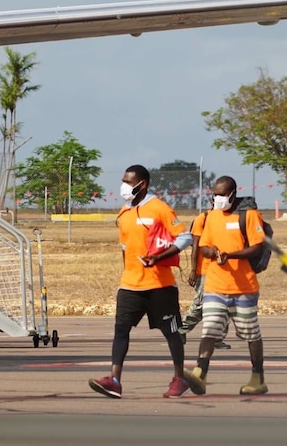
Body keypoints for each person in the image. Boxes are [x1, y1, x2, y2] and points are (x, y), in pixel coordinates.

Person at [88, 164, 193, 399]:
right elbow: (125, 247)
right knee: (121, 330)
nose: (124, 185)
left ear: (142, 184)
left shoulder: (159, 209)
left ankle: (179, 378)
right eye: (123, 180)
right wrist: (129, 271)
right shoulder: (124, 213)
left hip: (160, 286)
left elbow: (185, 237)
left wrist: (158, 257)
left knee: (172, 333)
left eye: (128, 181)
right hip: (130, 285)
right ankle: (114, 380)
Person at [184, 176, 268, 396]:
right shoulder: (211, 216)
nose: (218, 199)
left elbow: (257, 247)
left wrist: (231, 255)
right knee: (210, 328)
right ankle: (199, 373)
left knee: (251, 333)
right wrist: (212, 252)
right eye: (215, 194)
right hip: (215, 285)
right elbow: (203, 247)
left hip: (244, 287)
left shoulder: (248, 215)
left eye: (222, 195)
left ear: (233, 193)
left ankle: (257, 378)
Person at [179, 208, 231, 350]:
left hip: (224, 269)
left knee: (225, 305)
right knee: (202, 304)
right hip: (205, 270)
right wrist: (193, 270)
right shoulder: (203, 218)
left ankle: (217, 338)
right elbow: (195, 245)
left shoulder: (230, 218)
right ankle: (181, 329)